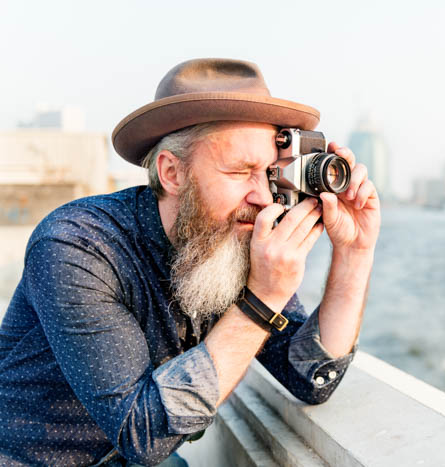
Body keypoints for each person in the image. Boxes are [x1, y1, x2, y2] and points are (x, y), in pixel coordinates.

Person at [0, 58, 380, 466]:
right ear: (172, 173)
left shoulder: (233, 239)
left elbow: (310, 374)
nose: (264, 197)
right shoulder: (78, 244)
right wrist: (262, 299)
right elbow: (144, 435)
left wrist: (355, 252)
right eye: (241, 171)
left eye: (269, 173)